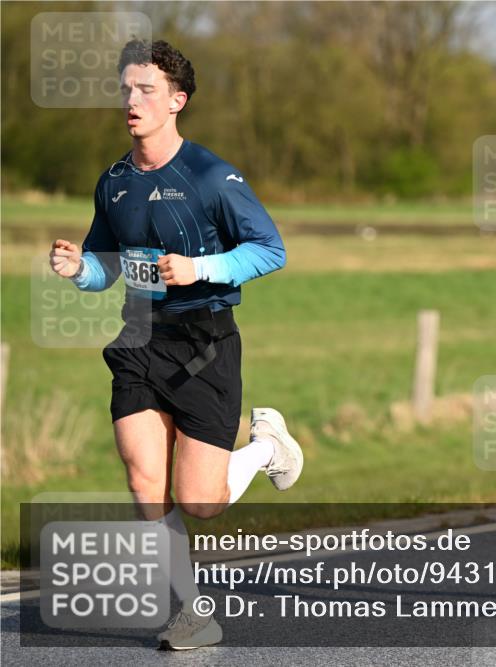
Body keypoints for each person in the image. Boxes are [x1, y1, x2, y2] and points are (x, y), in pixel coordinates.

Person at [48, 39, 304, 650]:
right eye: (127, 89)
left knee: (201, 501)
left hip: (205, 341)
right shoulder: (113, 182)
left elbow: (272, 250)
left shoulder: (212, 176)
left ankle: (266, 448)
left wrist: (200, 269)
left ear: (177, 101)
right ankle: (194, 611)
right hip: (139, 337)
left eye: (146, 90)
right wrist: (77, 268)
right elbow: (106, 268)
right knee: (144, 484)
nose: (132, 101)